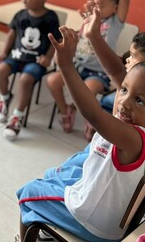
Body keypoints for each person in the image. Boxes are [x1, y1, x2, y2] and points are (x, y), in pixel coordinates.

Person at [17, 26, 145, 242]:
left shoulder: (135, 137)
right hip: (107, 218)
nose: (124, 103)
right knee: (54, 175)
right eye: (123, 90)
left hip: (91, 222)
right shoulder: (132, 124)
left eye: (139, 100)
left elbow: (93, 113)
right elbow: (116, 76)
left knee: (27, 193)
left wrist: (66, 65)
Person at [46, 0, 131, 139]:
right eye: (93, 3)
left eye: (100, 5)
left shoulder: (115, 22)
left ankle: (93, 122)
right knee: (52, 81)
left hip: (98, 72)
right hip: (77, 66)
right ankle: (65, 111)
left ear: (115, 7)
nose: (94, 7)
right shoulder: (90, 16)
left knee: (87, 93)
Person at [0, 0, 60, 140]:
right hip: (16, 56)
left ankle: (17, 115)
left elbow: (55, 40)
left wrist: (48, 58)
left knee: (25, 79)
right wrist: (4, 51)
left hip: (36, 61)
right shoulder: (20, 14)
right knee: (1, 70)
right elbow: (11, 34)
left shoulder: (51, 17)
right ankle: (4, 98)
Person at [82, 1, 145, 114]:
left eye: (132, 56)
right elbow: (115, 72)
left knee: (105, 102)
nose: (124, 104)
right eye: (124, 90)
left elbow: (116, 72)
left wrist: (94, 36)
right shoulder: (127, 80)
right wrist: (93, 36)